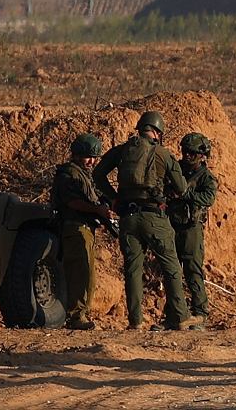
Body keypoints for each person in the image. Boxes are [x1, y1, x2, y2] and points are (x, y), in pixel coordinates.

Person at [93, 111, 200, 332]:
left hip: (128, 218)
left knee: (133, 269)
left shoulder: (123, 151)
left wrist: (114, 197)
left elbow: (98, 174)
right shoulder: (162, 153)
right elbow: (181, 188)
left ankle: (136, 321)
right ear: (158, 132)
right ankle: (180, 316)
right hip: (154, 218)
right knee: (171, 266)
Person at [51, 133, 115, 331]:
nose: (92, 161)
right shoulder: (68, 175)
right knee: (80, 272)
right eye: (88, 156)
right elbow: (72, 202)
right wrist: (97, 210)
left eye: (94, 157)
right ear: (77, 155)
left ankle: (79, 313)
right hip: (75, 227)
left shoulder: (83, 174)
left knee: (86, 273)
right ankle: (76, 316)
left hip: (84, 228)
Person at [169, 132, 219, 329]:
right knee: (172, 271)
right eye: (185, 151)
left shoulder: (206, 177)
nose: (187, 156)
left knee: (192, 269)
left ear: (202, 155)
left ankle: (200, 312)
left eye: (192, 153)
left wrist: (185, 193)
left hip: (191, 228)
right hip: (173, 224)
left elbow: (207, 198)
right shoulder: (177, 170)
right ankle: (174, 314)